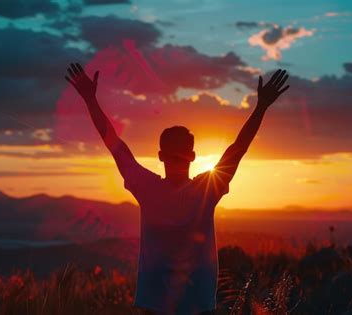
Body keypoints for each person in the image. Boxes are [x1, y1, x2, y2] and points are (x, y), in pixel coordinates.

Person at [64, 63, 289, 315]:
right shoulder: (206, 190)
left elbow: (113, 143)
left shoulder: (146, 187)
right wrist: (261, 107)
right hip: (198, 305)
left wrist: (90, 100)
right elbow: (239, 147)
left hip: (154, 305)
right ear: (192, 156)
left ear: (160, 156)